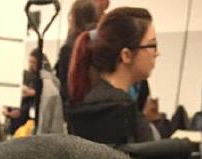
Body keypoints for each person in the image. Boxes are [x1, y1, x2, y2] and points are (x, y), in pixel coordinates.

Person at [67, 6, 158, 143]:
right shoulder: (120, 112)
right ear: (126, 55)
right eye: (152, 45)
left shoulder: (98, 103)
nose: (157, 53)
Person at [55, 0, 98, 102]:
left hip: (76, 104)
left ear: (73, 18)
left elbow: (65, 88)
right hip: (98, 101)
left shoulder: (69, 48)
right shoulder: (101, 43)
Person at [3, 50, 42, 135]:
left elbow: (40, 95)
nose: (31, 65)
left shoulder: (41, 79)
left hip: (27, 116)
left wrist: (33, 92)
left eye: (34, 62)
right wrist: (6, 109)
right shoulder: (24, 75)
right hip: (15, 112)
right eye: (30, 62)